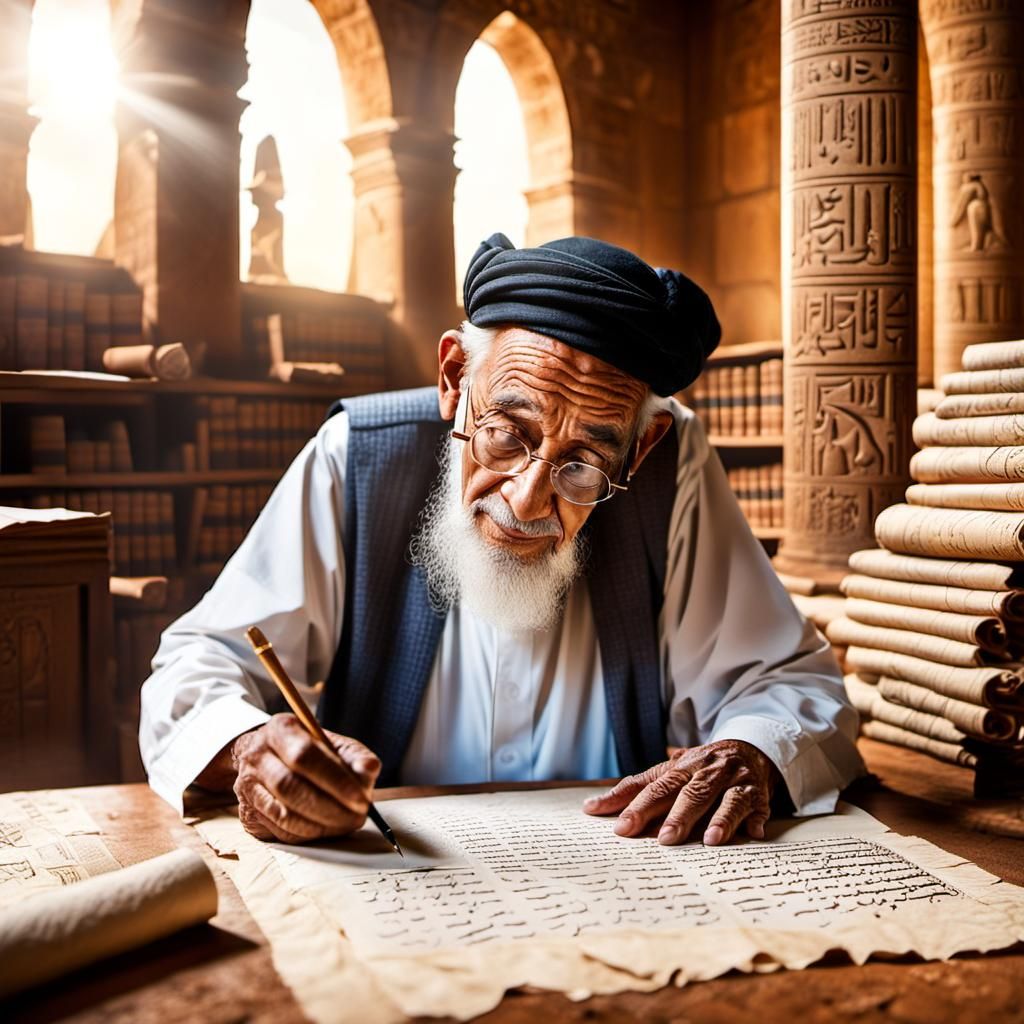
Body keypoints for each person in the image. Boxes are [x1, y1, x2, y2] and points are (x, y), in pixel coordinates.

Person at [140, 233, 863, 848]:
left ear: (638, 450)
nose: (527, 498)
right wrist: (248, 750)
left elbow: (792, 684)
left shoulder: (671, 467)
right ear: (455, 377)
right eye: (506, 434)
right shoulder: (357, 453)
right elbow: (197, 665)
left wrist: (749, 751)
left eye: (582, 464)